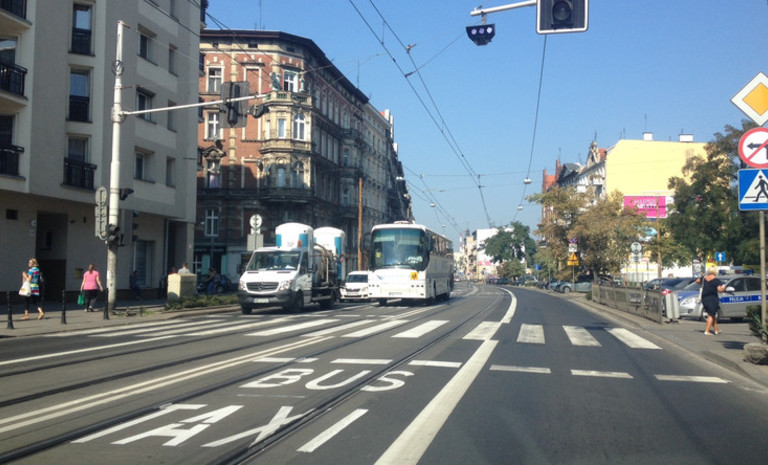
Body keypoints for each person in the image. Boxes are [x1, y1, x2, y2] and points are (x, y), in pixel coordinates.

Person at [699, 267, 725, 335]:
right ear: (715, 272)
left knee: (712, 314)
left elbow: (697, 281)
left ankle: (716, 330)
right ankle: (707, 331)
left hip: (704, 298)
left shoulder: (704, 278)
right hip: (712, 299)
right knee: (711, 314)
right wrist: (723, 288)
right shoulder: (716, 280)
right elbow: (719, 290)